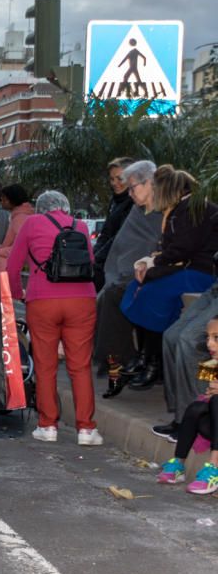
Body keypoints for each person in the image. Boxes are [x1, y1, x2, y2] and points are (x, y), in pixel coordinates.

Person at [6, 191, 100, 445]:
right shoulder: (79, 225)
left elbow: (12, 267)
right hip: (82, 300)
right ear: (66, 208)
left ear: (40, 209)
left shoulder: (31, 224)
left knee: (45, 365)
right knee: (80, 366)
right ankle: (87, 429)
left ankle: (47, 426)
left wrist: (18, 294)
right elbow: (89, 261)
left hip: (43, 300)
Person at [120, 165, 218, 390]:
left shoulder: (192, 208)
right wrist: (151, 268)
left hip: (201, 273)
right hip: (193, 270)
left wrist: (152, 269)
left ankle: (152, 363)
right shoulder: (183, 208)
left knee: (151, 293)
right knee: (141, 287)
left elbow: (182, 251)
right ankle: (148, 358)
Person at [93, 160, 162, 397]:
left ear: (149, 182)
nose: (129, 192)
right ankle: (119, 363)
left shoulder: (166, 207)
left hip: (157, 274)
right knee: (107, 297)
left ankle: (126, 363)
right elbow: (123, 244)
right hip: (127, 272)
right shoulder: (135, 208)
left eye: (133, 187)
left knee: (115, 296)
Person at [156, 315, 218, 495]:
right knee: (196, 407)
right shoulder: (211, 364)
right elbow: (206, 398)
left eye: (216, 338)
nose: (209, 344)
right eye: (207, 337)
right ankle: (178, 465)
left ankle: (214, 467)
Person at [92, 157, 136, 290]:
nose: (115, 183)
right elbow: (106, 233)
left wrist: (97, 258)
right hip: (107, 263)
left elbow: (120, 236)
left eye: (119, 178)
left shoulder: (134, 203)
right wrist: (93, 255)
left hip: (121, 266)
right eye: (112, 179)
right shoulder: (115, 201)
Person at [0, 183, 33, 272]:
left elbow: (21, 248)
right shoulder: (20, 216)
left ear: (12, 200)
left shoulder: (20, 218)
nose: (1, 201)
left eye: (4, 199)